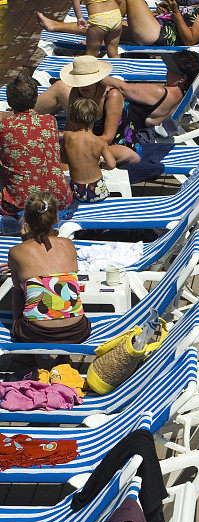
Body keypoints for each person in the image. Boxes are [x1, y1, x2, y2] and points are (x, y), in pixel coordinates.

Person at [35, 53, 199, 159]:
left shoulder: (161, 92)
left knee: (59, 87)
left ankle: (23, 116)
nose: (166, 69)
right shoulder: (179, 95)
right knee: (67, 91)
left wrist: (92, 77)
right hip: (118, 123)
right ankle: (30, 118)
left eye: (171, 69)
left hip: (119, 130)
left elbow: (124, 88)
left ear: (182, 78)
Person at [6, 190, 91, 345]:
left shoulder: (16, 252)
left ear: (26, 220)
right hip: (76, 331)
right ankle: (64, 356)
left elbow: (19, 289)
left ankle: (26, 356)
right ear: (56, 218)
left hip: (35, 333)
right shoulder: (69, 245)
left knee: (19, 290)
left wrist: (16, 325)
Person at [0, 75, 73, 232]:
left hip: (21, 202)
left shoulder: (3, 126)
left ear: (10, 102)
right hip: (58, 198)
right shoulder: (50, 121)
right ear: (35, 99)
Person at [38, 0, 199, 48]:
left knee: (119, 9)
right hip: (156, 27)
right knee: (106, 22)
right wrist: (162, 12)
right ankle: (55, 26)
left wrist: (175, 12)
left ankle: (108, 16)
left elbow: (190, 41)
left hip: (158, 36)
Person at [61, 98, 116, 203]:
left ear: (72, 119)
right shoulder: (100, 141)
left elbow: (64, 159)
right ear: (96, 118)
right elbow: (111, 165)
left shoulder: (67, 137)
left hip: (77, 189)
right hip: (97, 189)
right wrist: (101, 164)